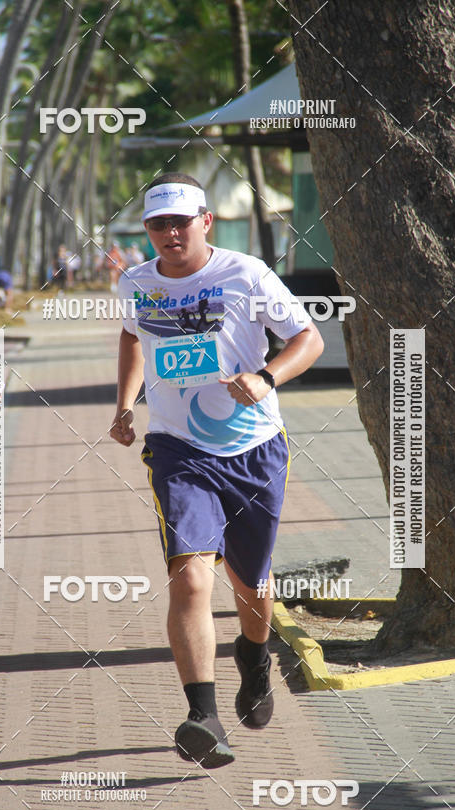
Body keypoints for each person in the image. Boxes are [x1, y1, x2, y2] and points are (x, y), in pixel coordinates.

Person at [111, 173, 323, 768]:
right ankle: (201, 715)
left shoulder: (246, 274)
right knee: (191, 577)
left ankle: (253, 656)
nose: (169, 234)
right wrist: (125, 404)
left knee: (252, 584)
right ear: (147, 230)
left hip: (254, 448)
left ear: (206, 221)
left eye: (180, 222)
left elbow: (307, 338)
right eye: (157, 224)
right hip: (178, 450)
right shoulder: (136, 282)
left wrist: (266, 377)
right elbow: (131, 338)